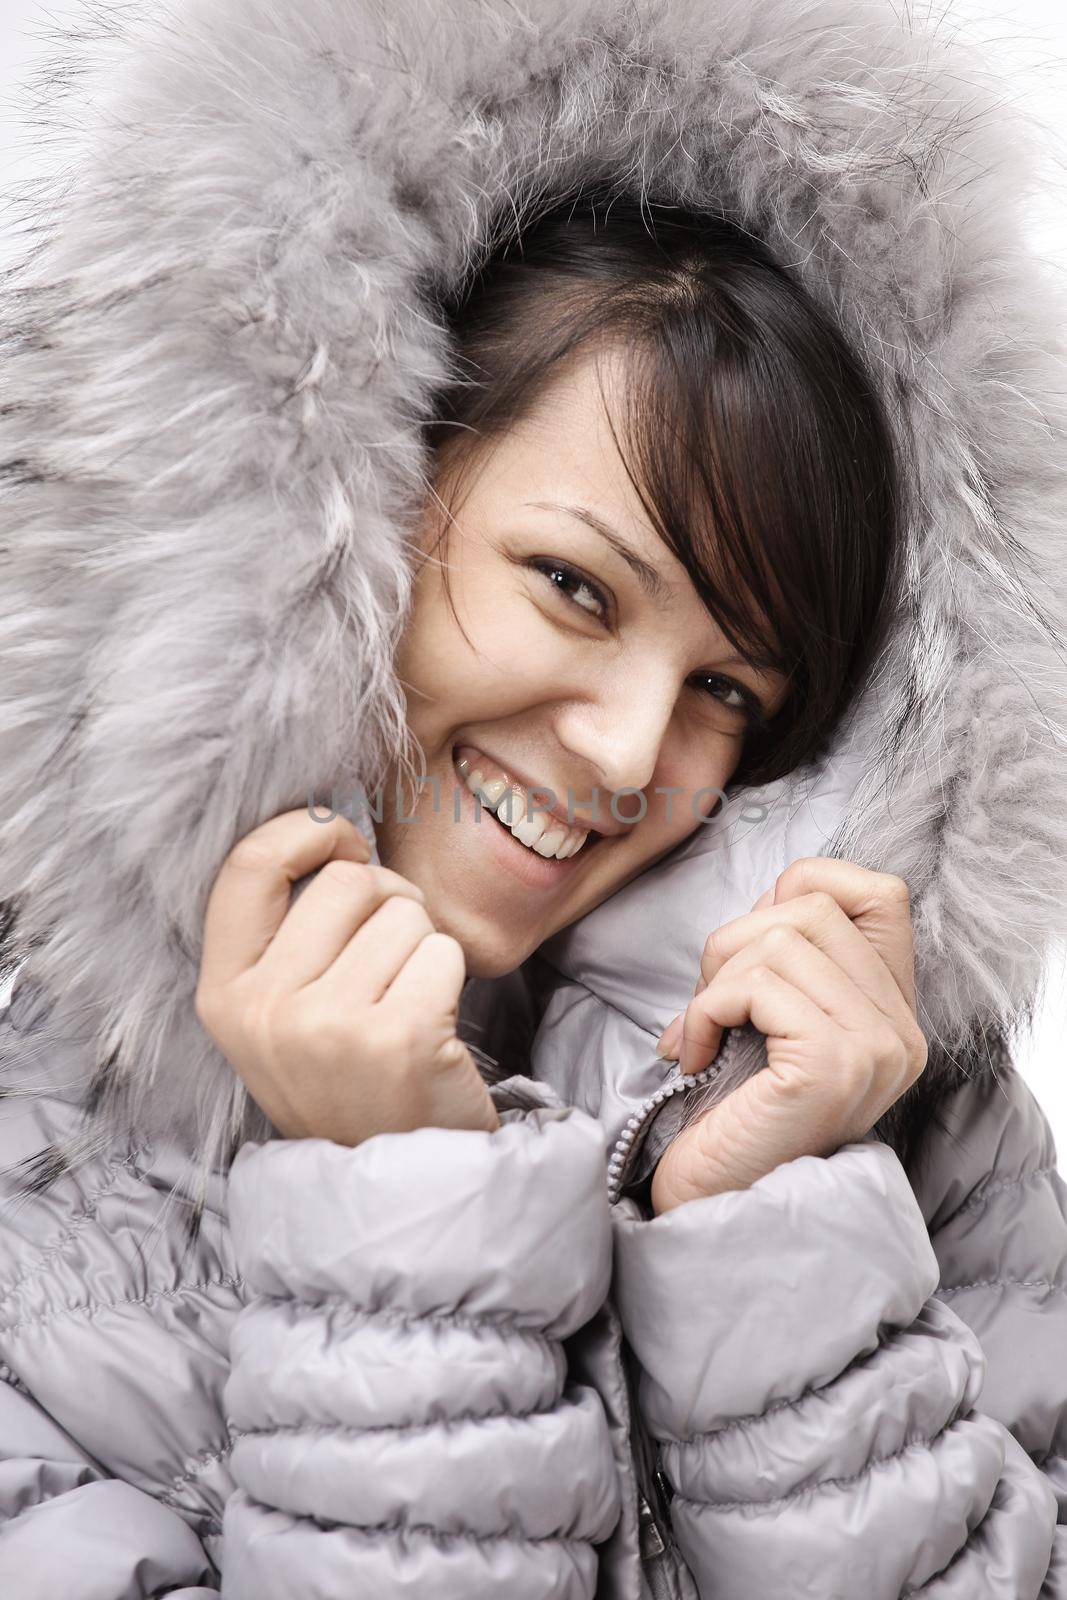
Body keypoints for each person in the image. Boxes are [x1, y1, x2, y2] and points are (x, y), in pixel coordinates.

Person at [0, 3, 1064, 1598]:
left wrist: (775, 1240)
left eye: (733, 691)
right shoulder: (34, 1172)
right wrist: (399, 1223)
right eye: (573, 585)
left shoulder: (912, 1129)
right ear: (340, 516)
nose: (638, 753)